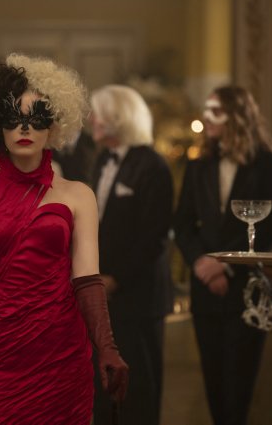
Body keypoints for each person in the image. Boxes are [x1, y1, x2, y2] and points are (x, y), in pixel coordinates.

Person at [0, 53, 128, 425]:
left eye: (37, 118)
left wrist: (107, 348)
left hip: (64, 359)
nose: (24, 129)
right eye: (13, 118)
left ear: (54, 125)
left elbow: (88, 282)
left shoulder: (78, 195)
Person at [174, 85, 272, 425]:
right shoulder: (199, 165)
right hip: (205, 290)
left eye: (216, 111)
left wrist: (226, 266)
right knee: (214, 386)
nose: (207, 117)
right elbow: (182, 224)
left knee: (239, 390)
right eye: (206, 109)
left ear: (238, 115)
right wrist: (201, 264)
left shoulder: (270, 164)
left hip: (247, 288)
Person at [89, 84, 173, 425]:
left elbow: (154, 236)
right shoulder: (101, 161)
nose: (92, 120)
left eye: (99, 114)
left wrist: (116, 278)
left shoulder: (153, 166)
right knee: (103, 387)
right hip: (103, 295)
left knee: (140, 390)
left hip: (140, 296)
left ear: (119, 117)